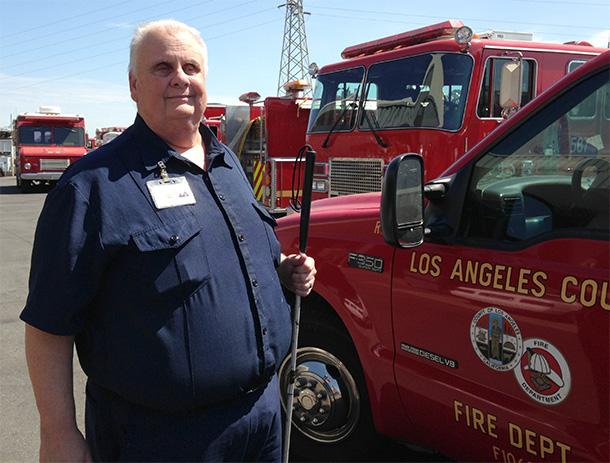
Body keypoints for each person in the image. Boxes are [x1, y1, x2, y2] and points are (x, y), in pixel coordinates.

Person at [21, 19, 316, 462]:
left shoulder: (227, 164)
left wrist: (281, 272)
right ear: (134, 85)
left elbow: (229, 258)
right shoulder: (91, 187)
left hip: (261, 418)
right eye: (162, 67)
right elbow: (48, 325)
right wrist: (58, 431)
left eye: (191, 67)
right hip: (161, 438)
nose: (180, 77)